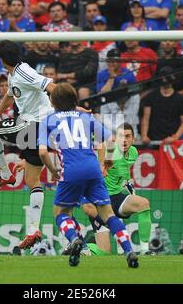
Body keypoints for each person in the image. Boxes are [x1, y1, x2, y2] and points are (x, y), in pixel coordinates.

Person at [37, 83, 139, 268]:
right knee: (108, 214)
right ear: (75, 100)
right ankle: (129, 250)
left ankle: (75, 239)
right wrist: (105, 163)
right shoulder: (86, 117)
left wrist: (52, 170)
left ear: (52, 102)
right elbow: (110, 140)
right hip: (93, 169)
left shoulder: (48, 120)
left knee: (61, 213)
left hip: (71, 171)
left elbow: (43, 152)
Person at [0, 40, 57, 250]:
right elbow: (9, 96)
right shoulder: (15, 74)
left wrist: (70, 107)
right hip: (39, 129)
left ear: (1, 59)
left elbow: (52, 87)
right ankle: (33, 229)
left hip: (32, 125)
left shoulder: (25, 72)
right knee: (32, 180)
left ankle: (4, 174)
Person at [80, 123, 153, 256]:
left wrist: (128, 185)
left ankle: (144, 250)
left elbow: (123, 172)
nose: (124, 140)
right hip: (100, 202)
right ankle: (81, 247)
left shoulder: (133, 153)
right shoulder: (110, 150)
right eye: (121, 136)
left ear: (133, 139)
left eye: (127, 136)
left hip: (116, 198)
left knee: (144, 204)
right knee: (104, 253)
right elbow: (100, 145)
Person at [141, 67, 183, 144]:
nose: (165, 80)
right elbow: (146, 118)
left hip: (170, 141)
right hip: (152, 140)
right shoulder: (151, 97)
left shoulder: (179, 99)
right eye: (163, 77)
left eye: (167, 77)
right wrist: (144, 135)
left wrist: (175, 137)